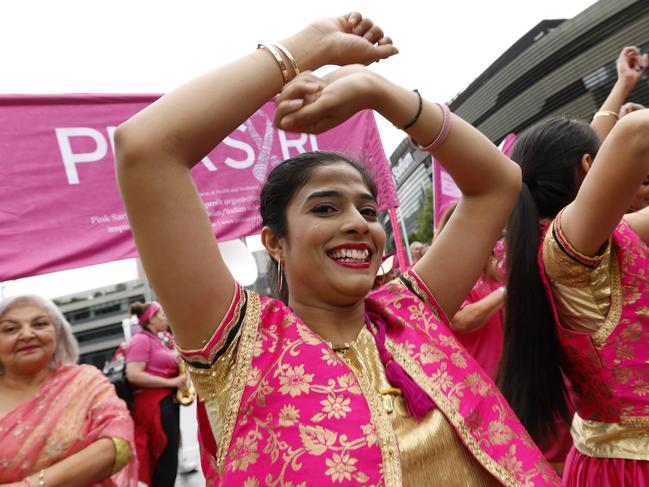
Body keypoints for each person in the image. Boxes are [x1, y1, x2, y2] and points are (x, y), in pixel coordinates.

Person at [115, 12, 559, 486]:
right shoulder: (241, 347)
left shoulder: (410, 312)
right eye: (325, 209)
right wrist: (311, 45)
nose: (356, 224)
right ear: (275, 243)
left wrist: (378, 92)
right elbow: (145, 148)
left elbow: (498, 182)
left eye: (368, 212)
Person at [498, 43, 649, 485]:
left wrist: (621, 85)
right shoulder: (569, 250)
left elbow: (604, 150)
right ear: (587, 168)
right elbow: (635, 136)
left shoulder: (581, 242)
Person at [0, 295, 137, 487]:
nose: (27, 334)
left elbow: (118, 444)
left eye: (39, 324)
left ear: (57, 333)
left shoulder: (85, 381)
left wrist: (31, 485)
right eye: (10, 329)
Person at [438, 203, 506, 380]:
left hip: (508, 380)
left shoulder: (493, 270)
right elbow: (461, 320)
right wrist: (506, 292)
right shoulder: (447, 274)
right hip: (477, 386)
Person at [125, 301, 185, 487]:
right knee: (164, 463)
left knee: (169, 461)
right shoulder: (141, 340)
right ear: (151, 319)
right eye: (161, 314)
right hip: (154, 408)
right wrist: (170, 382)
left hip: (166, 403)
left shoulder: (158, 338)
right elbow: (133, 374)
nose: (165, 317)